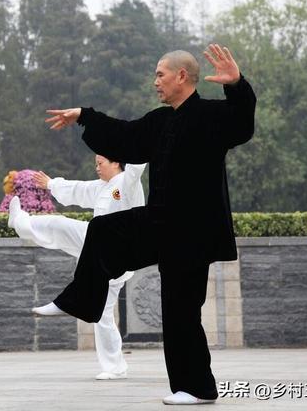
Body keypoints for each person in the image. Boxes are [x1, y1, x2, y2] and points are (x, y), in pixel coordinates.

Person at [42, 44, 256, 405]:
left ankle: (196, 388)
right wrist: (85, 116)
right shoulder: (160, 121)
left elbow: (242, 124)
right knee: (104, 230)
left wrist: (237, 85)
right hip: (160, 222)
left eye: (160, 74)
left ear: (181, 76)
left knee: (181, 310)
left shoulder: (210, 117)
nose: (155, 81)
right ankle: (78, 299)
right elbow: (125, 137)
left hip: (193, 233)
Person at [7, 155, 146, 380]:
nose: (97, 168)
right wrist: (51, 184)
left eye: (101, 163)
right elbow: (77, 190)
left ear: (116, 163)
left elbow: (137, 164)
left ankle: (113, 365)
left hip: (119, 252)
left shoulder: (128, 183)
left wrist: (135, 140)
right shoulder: (102, 187)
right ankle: (20, 222)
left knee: (103, 315)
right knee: (58, 224)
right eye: (95, 163)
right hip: (97, 244)